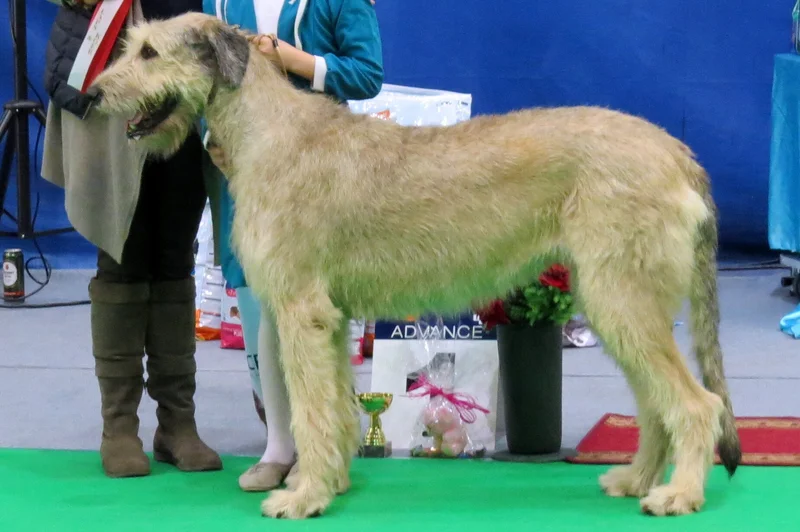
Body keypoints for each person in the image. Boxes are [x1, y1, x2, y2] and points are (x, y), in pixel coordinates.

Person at [201, 0, 383, 491]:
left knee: (308, 313)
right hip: (248, 170)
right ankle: (278, 445)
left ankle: (317, 451)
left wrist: (293, 59)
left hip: (321, 174)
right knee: (268, 308)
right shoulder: (219, 3)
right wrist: (213, 144)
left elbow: (368, 75)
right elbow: (204, 83)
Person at [41, 0, 222, 477]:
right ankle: (118, 427)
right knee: (121, 251)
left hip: (186, 85)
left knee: (174, 256)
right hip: (112, 71)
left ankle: (177, 425)